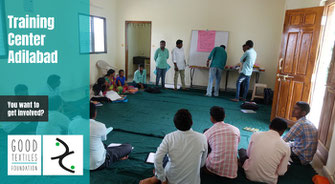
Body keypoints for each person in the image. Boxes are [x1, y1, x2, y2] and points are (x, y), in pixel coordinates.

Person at [140, 109, 208, 184]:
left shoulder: (169, 137)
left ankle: (155, 178)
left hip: (171, 179)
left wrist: (162, 177)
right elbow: (203, 162)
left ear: (175, 124)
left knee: (166, 158)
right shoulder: (202, 137)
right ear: (191, 123)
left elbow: (157, 158)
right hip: (193, 181)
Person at [239, 118, 290, 184]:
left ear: (269, 126)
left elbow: (248, 155)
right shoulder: (286, 146)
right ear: (283, 131)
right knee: (287, 165)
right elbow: (281, 172)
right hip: (270, 180)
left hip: (249, 175)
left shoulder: (256, 134)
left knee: (242, 150)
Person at [89, 103, 132, 170]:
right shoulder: (100, 126)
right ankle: (115, 157)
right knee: (128, 146)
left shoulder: (73, 123)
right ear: (95, 113)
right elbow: (103, 138)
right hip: (97, 164)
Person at [203, 106, 240, 179]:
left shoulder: (208, 132)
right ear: (224, 116)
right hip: (232, 172)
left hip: (212, 169)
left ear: (211, 118)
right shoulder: (236, 129)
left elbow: (202, 149)